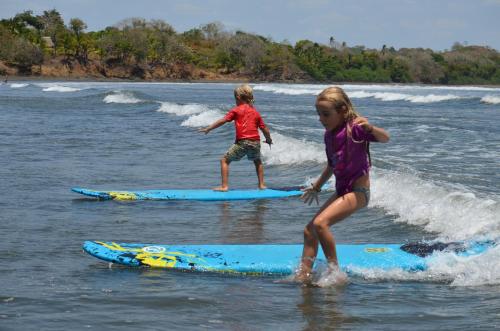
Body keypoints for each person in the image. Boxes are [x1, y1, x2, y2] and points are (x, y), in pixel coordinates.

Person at [296, 86, 390, 284]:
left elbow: (385, 138)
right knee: (309, 230)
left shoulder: (355, 129)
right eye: (319, 114)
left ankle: (335, 273)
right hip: (342, 191)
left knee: (321, 224)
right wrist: (317, 186)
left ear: (343, 111)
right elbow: (332, 165)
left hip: (358, 192)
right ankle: (303, 275)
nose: (321, 119)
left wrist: (371, 128)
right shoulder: (328, 136)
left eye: (326, 114)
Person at [199, 84, 272, 191]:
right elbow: (264, 128)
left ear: (238, 98)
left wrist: (209, 128)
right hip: (255, 142)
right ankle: (261, 185)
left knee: (224, 160)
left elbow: (223, 120)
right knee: (257, 161)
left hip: (242, 142)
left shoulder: (236, 110)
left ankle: (224, 186)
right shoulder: (256, 112)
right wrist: (269, 139)